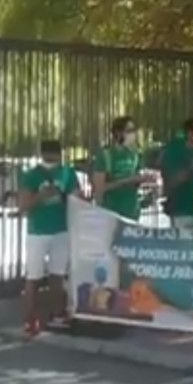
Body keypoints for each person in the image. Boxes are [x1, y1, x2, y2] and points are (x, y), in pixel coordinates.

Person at [19, 140, 80, 335]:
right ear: (42, 154)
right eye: (49, 153)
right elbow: (23, 206)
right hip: (38, 232)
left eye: (55, 154)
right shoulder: (31, 175)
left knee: (57, 274)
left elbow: (77, 199)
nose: (52, 158)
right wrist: (40, 196)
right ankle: (30, 318)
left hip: (61, 230)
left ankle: (57, 314)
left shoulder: (68, 173)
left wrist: (68, 196)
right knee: (34, 277)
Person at [93, 116, 154, 222]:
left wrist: (146, 183)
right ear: (118, 133)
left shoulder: (135, 155)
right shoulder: (105, 155)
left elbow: (137, 181)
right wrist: (126, 181)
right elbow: (99, 188)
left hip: (132, 213)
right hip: (111, 214)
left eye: (134, 130)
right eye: (130, 130)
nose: (133, 134)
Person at [160, 111, 193, 227]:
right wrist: (191, 170)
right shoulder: (175, 150)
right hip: (183, 211)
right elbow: (171, 182)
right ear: (189, 133)